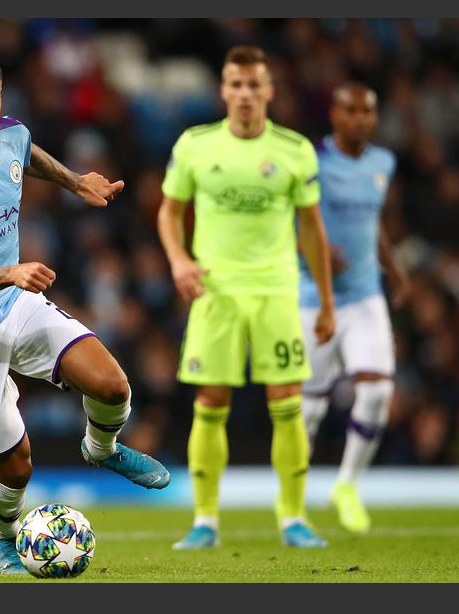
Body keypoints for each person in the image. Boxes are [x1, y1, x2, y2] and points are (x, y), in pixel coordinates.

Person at [0, 46, 170, 574]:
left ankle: (102, 448)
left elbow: (27, 154)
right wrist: (10, 272)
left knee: (113, 385)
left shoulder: (11, 134)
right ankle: (2, 535)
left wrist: (76, 181)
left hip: (13, 304)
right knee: (15, 465)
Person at [157, 45, 335, 549]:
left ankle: (293, 518)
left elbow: (312, 230)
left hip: (277, 288)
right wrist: (179, 261)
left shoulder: (296, 150)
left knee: (288, 402)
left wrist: (325, 302)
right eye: (235, 84)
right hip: (216, 289)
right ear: (223, 90)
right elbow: (168, 212)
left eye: (254, 85)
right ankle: (205, 521)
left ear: (269, 91)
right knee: (210, 401)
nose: (244, 94)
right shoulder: (195, 145)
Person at [299, 82, 408, 534]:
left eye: (368, 111)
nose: (361, 119)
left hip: (366, 296)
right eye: (352, 111)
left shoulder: (383, 163)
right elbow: (293, 220)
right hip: (313, 298)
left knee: (379, 390)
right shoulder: (313, 163)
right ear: (335, 116)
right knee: (308, 409)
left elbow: (373, 223)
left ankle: (347, 486)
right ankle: (293, 495)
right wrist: (312, 254)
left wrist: (394, 268)